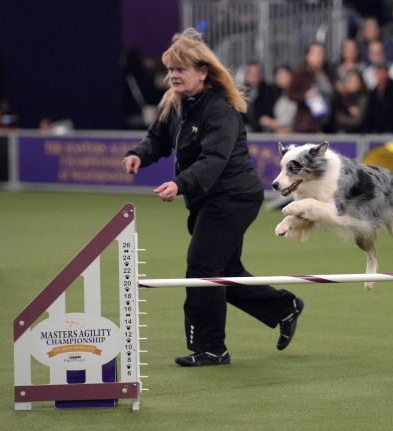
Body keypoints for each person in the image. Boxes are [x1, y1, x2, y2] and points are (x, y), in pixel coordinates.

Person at [123, 28, 304, 367]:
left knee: (203, 268)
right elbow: (157, 139)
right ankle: (284, 307)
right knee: (224, 271)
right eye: (171, 69)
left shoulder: (220, 109)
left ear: (203, 72)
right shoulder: (175, 104)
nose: (174, 76)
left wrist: (180, 184)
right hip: (209, 199)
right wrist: (138, 154)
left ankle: (211, 348)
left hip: (234, 198)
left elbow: (213, 161)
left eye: (181, 69)